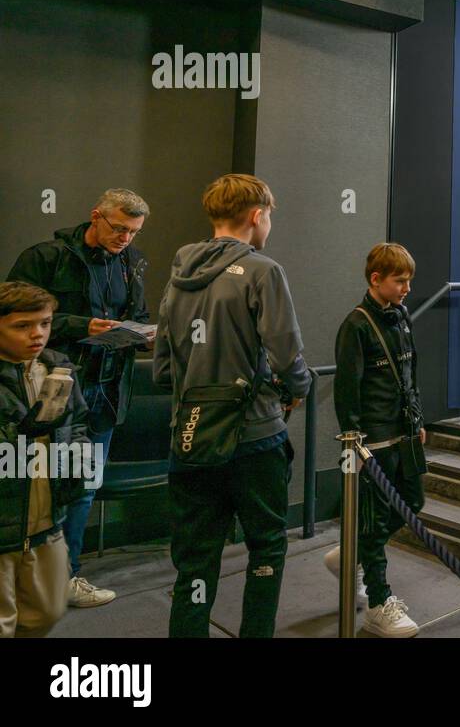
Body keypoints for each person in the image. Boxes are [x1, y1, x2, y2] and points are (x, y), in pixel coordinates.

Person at [153, 174, 312, 638]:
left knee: (195, 562)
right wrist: (296, 387)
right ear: (257, 215)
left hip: (190, 434)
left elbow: (163, 365)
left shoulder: (179, 271)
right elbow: (287, 355)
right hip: (254, 435)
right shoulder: (263, 270)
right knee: (265, 549)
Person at [7, 188, 152, 609]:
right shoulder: (46, 257)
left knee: (83, 486)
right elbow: (14, 316)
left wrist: (139, 335)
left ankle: (64, 576)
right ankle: (27, 579)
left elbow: (137, 317)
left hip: (105, 391)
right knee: (33, 488)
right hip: (51, 391)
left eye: (134, 231)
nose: (126, 238)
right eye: (119, 228)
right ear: (96, 216)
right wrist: (80, 326)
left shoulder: (129, 264)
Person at [327, 243, 425, 637]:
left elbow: (410, 374)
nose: (406, 288)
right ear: (376, 280)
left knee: (413, 503)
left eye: (408, 281)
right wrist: (355, 445)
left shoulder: (401, 316)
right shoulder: (356, 325)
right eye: (400, 281)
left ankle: (349, 557)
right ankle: (379, 602)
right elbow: (346, 389)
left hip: (405, 434)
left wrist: (417, 419)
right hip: (374, 443)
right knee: (374, 522)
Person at [0, 282, 92, 637]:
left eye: (45, 323)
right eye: (22, 325)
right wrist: (22, 432)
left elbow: (80, 421)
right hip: (5, 524)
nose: (37, 334)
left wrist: (78, 462)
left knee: (47, 612)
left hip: (46, 521)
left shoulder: (57, 367)